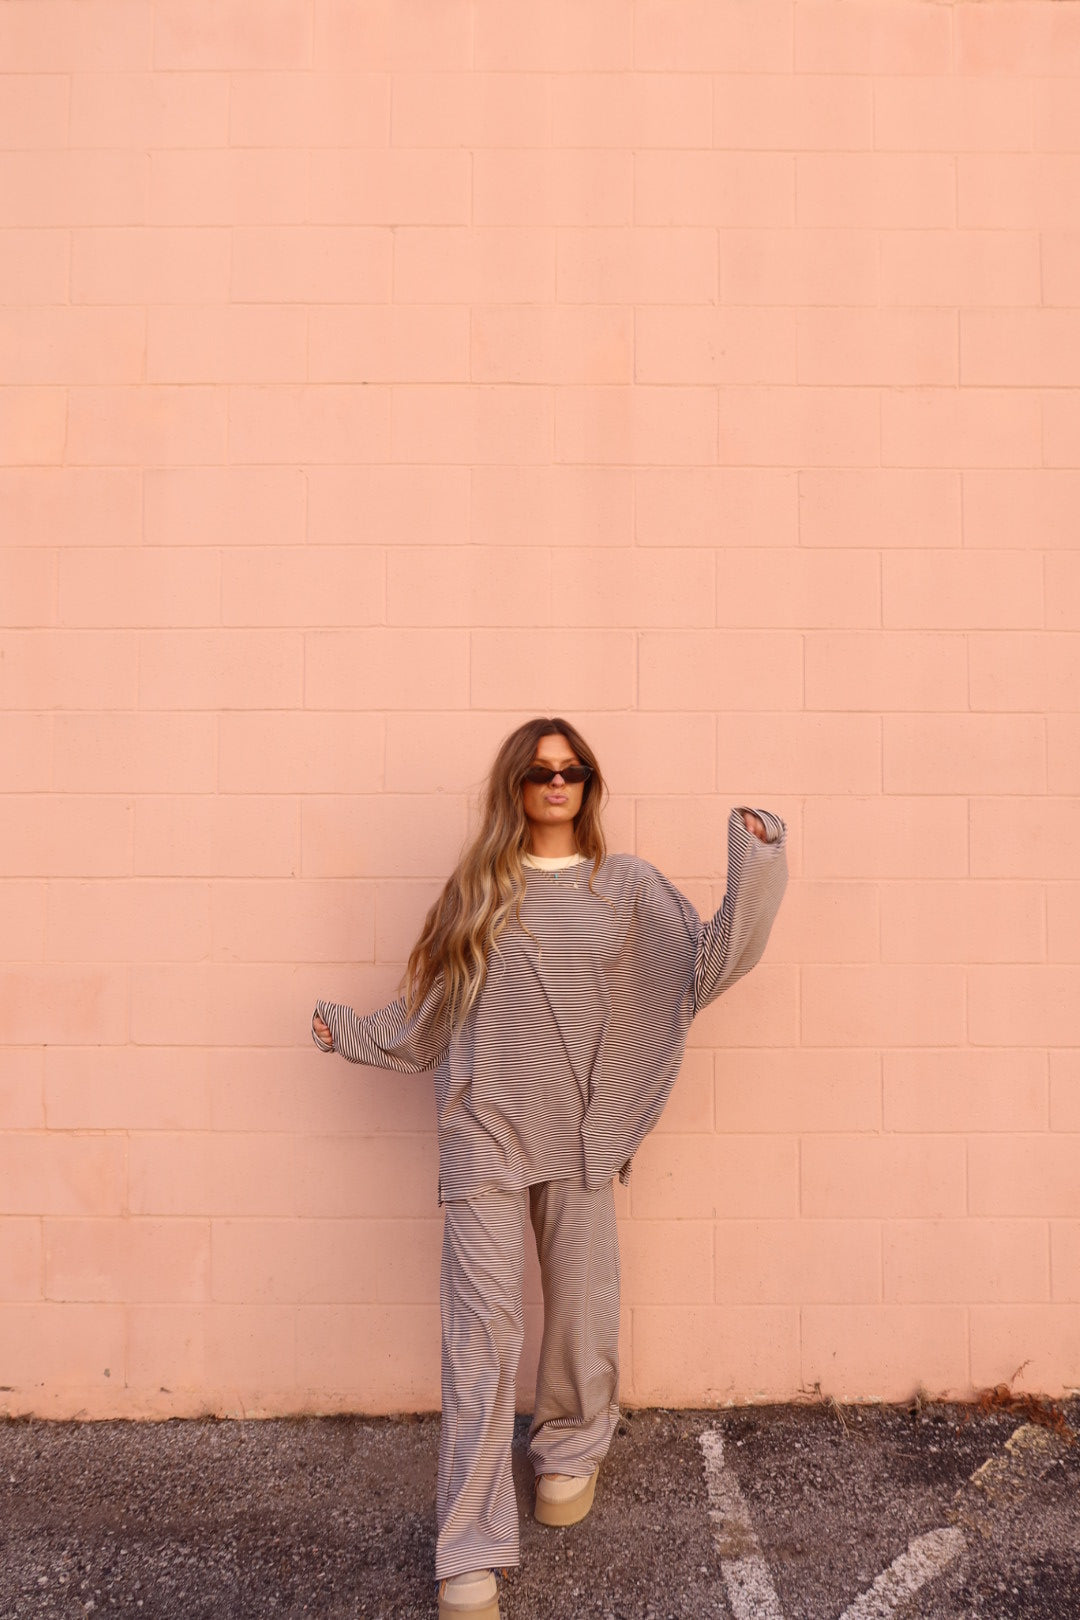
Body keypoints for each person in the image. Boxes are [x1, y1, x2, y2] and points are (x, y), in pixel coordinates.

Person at [310, 716, 788, 1620]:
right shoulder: (477, 888)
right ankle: (470, 1550)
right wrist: (359, 1035)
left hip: (580, 1134)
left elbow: (705, 966)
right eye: (539, 771)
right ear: (516, 788)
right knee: (481, 1337)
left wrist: (757, 865)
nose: (557, 783)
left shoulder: (629, 888)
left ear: (590, 785)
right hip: (484, 1130)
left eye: (572, 771)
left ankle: (569, 1449)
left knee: (581, 1306)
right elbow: (429, 1016)